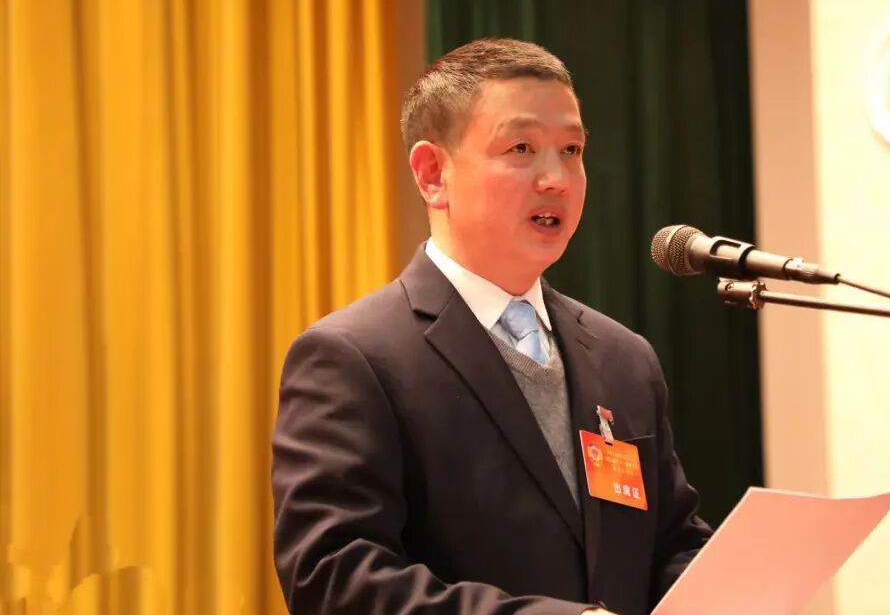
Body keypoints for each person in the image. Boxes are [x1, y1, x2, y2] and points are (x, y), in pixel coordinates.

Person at [272, 38, 712, 615]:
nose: (556, 178)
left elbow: (670, 545)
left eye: (572, 150)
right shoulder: (354, 358)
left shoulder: (622, 357)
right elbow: (335, 578)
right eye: (522, 148)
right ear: (433, 174)